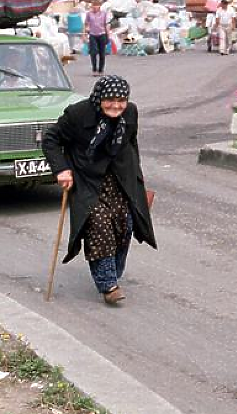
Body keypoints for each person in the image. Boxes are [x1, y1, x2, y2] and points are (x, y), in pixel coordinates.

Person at [42, 75, 156, 305]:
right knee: (98, 224)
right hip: (87, 178)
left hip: (120, 177)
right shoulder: (77, 114)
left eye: (121, 100)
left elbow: (132, 143)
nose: (116, 105)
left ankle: (112, 272)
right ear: (99, 98)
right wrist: (61, 170)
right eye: (110, 100)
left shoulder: (131, 113)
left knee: (125, 225)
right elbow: (50, 139)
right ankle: (108, 285)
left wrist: (137, 175)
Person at [84, 0, 110, 76]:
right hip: (92, 35)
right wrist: (85, 34)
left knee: (102, 53)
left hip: (102, 34)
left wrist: (108, 36)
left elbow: (106, 25)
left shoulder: (104, 14)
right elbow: (86, 24)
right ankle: (94, 69)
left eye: (96, 6)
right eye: (93, 6)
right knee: (93, 52)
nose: (95, 7)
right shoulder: (89, 14)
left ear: (99, 6)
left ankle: (101, 70)